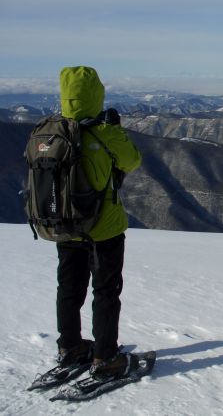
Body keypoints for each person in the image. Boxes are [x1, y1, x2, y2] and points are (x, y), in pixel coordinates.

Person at [54, 66, 142, 378]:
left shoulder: (51, 133)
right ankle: (106, 358)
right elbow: (132, 160)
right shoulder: (104, 134)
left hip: (63, 226)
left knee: (68, 287)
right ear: (96, 95)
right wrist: (115, 130)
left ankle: (70, 346)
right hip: (103, 230)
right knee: (105, 291)